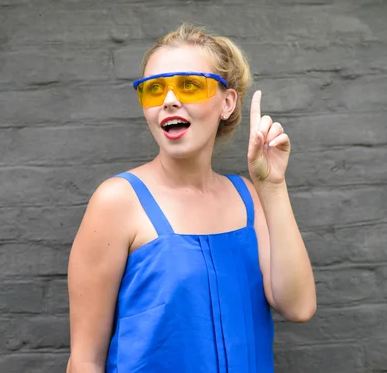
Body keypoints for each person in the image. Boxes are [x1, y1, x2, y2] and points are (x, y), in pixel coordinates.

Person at [66, 23, 316, 373]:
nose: (169, 100)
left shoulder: (248, 197)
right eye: (154, 89)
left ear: (227, 102)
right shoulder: (118, 202)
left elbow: (299, 306)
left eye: (189, 85)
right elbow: (85, 360)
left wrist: (271, 186)